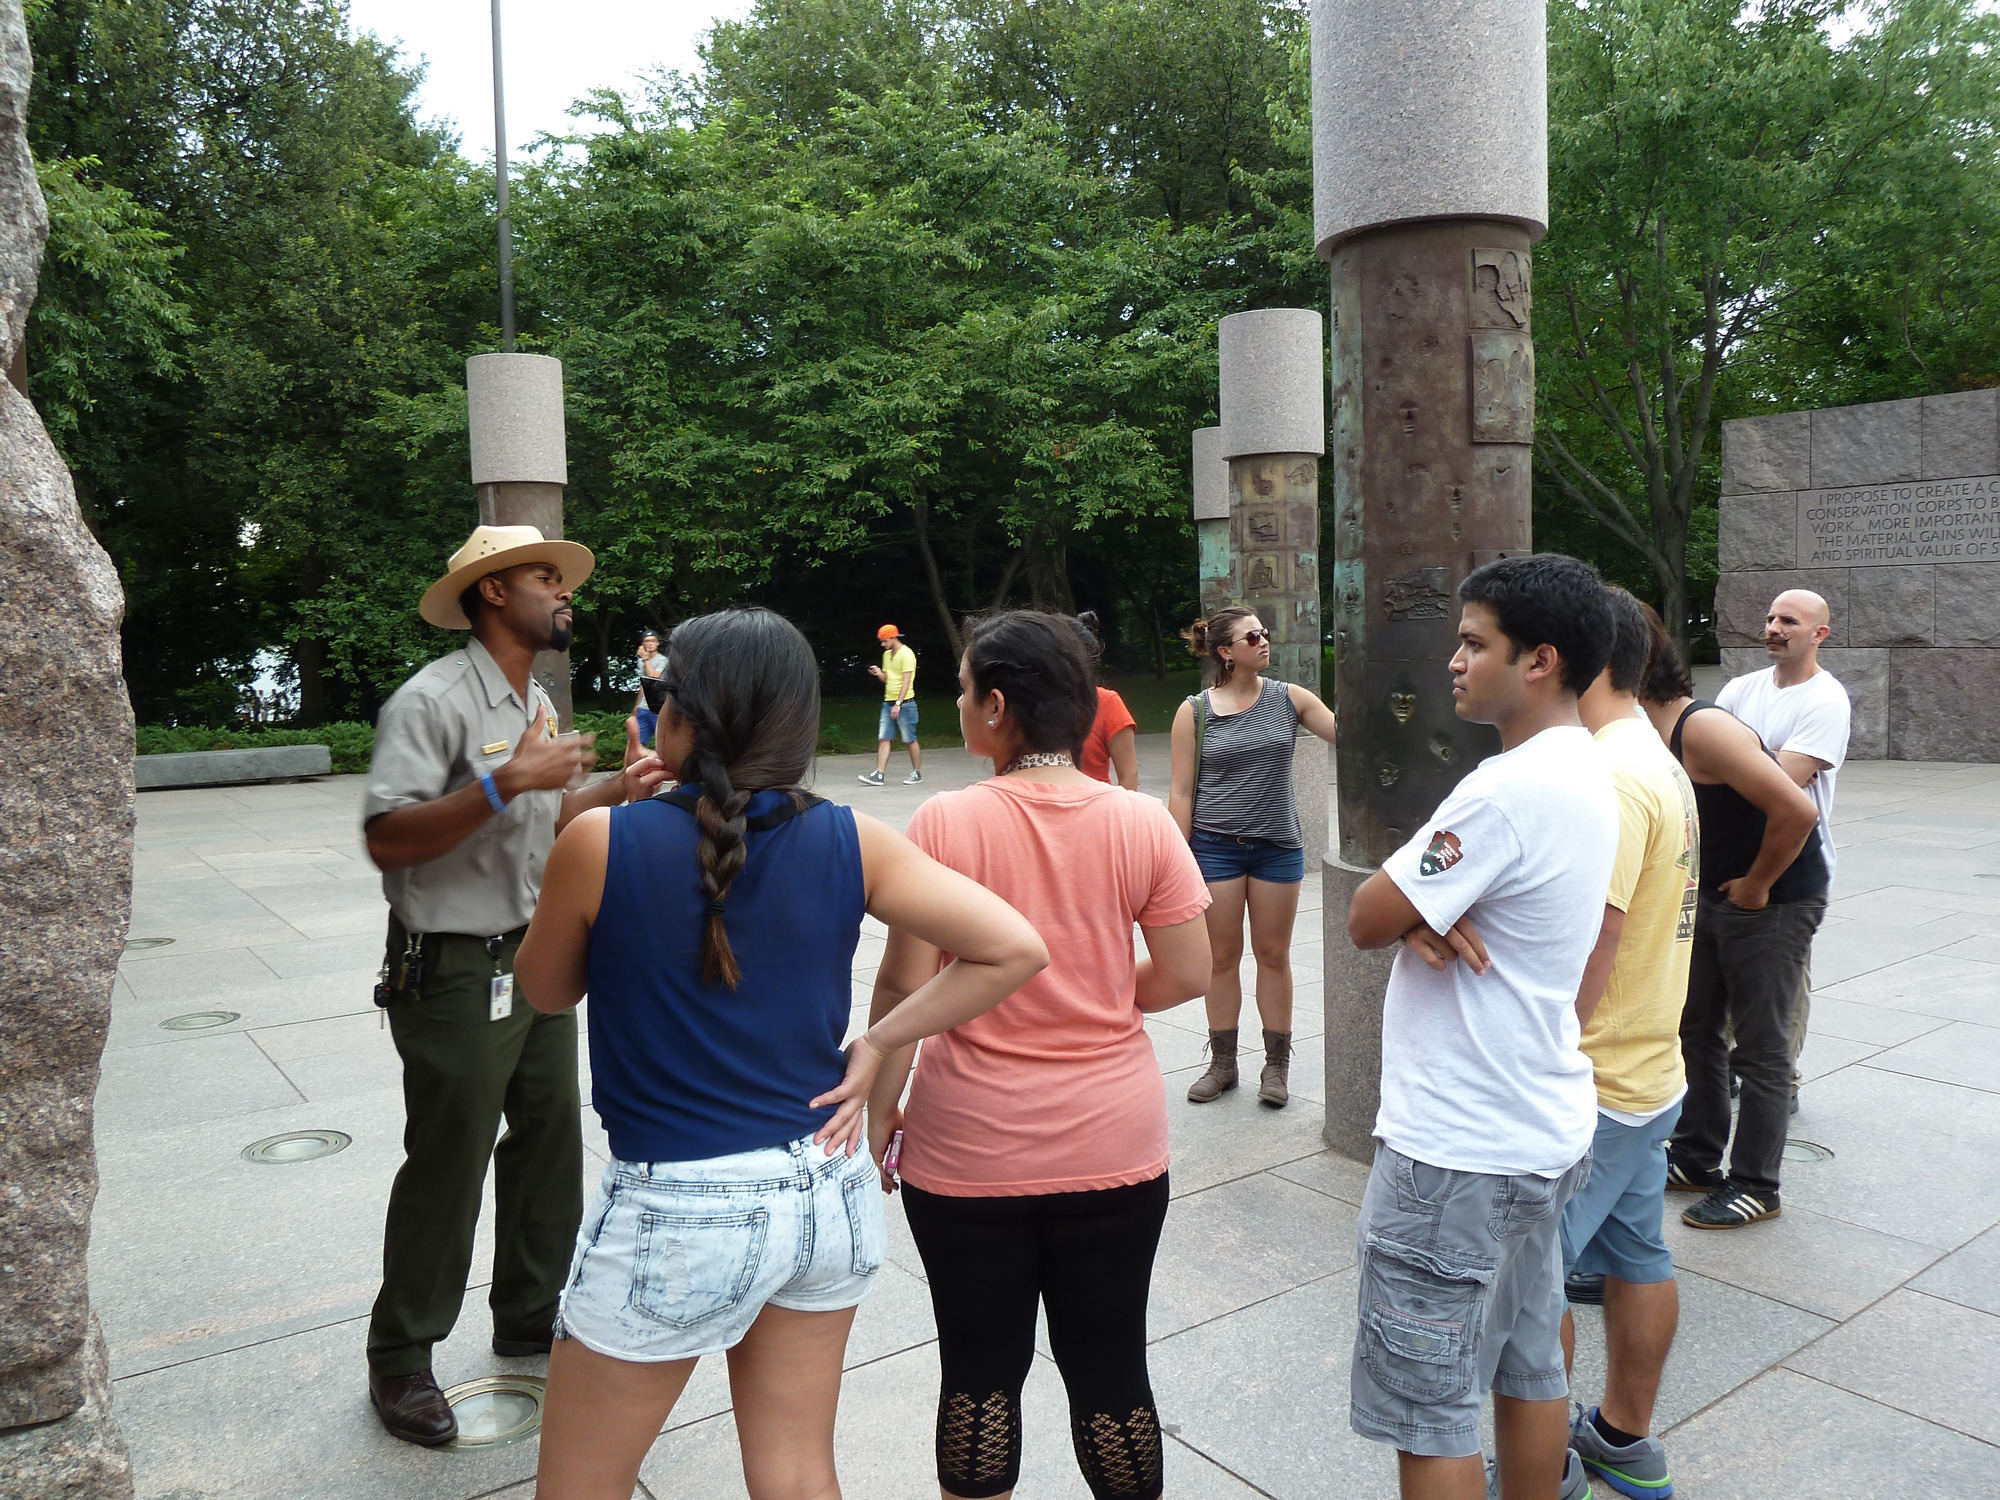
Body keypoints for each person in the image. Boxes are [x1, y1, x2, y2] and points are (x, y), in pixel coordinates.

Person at [518, 608, 1049, 1500]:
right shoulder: (856, 837)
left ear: (678, 717)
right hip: (823, 1186)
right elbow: (1015, 947)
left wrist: (613, 803)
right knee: (798, 1473)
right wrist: (878, 1043)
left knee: (580, 1486)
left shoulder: (601, 842)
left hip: (679, 1204)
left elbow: (543, 990)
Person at [863, 609, 1213, 1500]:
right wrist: (1097, 992)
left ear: (999, 706)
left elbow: (905, 989)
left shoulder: (945, 821)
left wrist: (877, 1115)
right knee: (1111, 1372)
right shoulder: (1139, 824)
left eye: (965, 686)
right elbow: (1189, 971)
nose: (958, 699)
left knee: (978, 1377)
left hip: (969, 1149)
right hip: (1113, 1146)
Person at [359, 524, 666, 1446]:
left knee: (548, 1140)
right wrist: (502, 782)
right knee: (449, 1160)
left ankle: (530, 1312)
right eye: (546, 578)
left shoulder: (526, 694)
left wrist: (612, 791)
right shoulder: (433, 700)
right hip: (453, 968)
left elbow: (537, 815)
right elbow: (389, 836)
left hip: (532, 955)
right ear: (493, 592)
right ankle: (401, 1358)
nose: (564, 593)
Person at [1344, 553, 1619, 1500]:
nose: (1453, 662)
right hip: (1540, 1128)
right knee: (1529, 1367)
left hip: (1458, 1149)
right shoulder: (1586, 768)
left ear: (1540, 658)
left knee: (1432, 1410)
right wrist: (1431, 907)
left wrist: (1416, 907)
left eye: (1473, 643)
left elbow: (1365, 916)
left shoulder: (1503, 790)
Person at [1557, 588, 1699, 1500]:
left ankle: (1534, 1467)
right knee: (1638, 1257)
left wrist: (1542, 1054)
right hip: (1652, 1071)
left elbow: (1593, 942)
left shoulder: (1607, 774)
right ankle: (1624, 1440)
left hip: (1596, 1080)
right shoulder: (1655, 755)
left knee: (1527, 1285)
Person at [1637, 608, 1824, 1231]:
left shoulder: (1703, 729)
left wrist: (1757, 885)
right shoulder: (1647, 736)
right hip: (1720, 893)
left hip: (1772, 897)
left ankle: (1756, 1184)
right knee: (1697, 1029)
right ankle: (1695, 1158)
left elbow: (1796, 811)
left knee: (1761, 1048)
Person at [1169, 606, 1337, 1108]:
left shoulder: (1290, 699)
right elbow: (1181, 791)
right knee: (1220, 958)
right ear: (1225, 651)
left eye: (1265, 632)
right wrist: (1176, 859)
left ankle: (1276, 1067)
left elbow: (1346, 735)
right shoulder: (1194, 711)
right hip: (1215, 848)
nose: (1265, 641)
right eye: (1253, 636)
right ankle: (1222, 1065)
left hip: (1276, 847)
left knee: (1273, 955)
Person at [1715, 588, 1850, 1099]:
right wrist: (1753, 758)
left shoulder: (1826, 699)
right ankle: (1725, 1064)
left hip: (1790, 865)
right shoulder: (1741, 690)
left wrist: (1735, 759)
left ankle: (1780, 1076)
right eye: (1770, 617)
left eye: (1789, 621)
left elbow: (1786, 779)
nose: (1774, 627)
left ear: (1819, 634)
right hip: (1729, 853)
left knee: (1780, 980)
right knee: (1724, 969)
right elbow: (1703, 764)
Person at [1074, 610, 1140, 789]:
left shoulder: (1107, 702)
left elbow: (1129, 776)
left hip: (1097, 810)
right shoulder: (1037, 702)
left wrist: (1121, 815)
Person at [859, 623, 922, 786]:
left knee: (909, 739)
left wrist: (898, 704)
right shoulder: (887, 655)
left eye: (885, 641)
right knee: (884, 738)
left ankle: (917, 772)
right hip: (888, 702)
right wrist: (879, 673)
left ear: (894, 638)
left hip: (905, 704)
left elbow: (907, 682)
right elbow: (887, 678)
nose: (883, 645)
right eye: (881, 642)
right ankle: (879, 774)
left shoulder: (907, 654)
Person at [632, 630, 666, 747]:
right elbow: (643, 684)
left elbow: (653, 679)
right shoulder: (641, 661)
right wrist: (636, 706)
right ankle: (628, 765)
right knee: (635, 742)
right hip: (643, 709)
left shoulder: (663, 660)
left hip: (658, 709)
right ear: (643, 644)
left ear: (657, 643)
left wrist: (646, 659)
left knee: (662, 743)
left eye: (652, 641)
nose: (650, 643)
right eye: (647, 641)